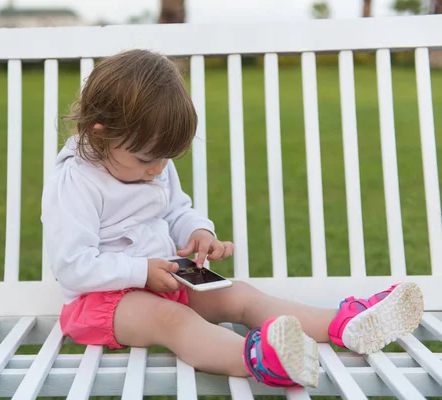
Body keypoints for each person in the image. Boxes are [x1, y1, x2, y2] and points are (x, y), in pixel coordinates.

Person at [41, 49, 424, 388]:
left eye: (166, 158)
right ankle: (259, 359)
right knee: (172, 319)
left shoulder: (150, 164)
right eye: (147, 159)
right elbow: (72, 266)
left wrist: (197, 230)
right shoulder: (76, 181)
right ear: (101, 132)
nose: (158, 170)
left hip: (163, 279)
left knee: (238, 295)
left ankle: (343, 326)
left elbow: (176, 210)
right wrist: (141, 271)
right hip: (100, 304)